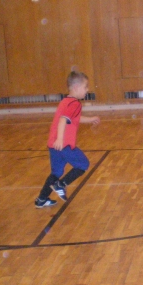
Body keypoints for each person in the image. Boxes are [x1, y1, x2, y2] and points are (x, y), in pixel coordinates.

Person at [35, 71, 100, 208]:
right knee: (83, 164)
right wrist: (60, 139)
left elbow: (74, 119)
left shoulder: (66, 101)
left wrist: (91, 119)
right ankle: (61, 184)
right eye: (85, 87)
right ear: (76, 87)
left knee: (56, 173)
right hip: (63, 144)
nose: (87, 90)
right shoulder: (75, 103)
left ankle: (42, 199)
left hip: (53, 144)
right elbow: (63, 120)